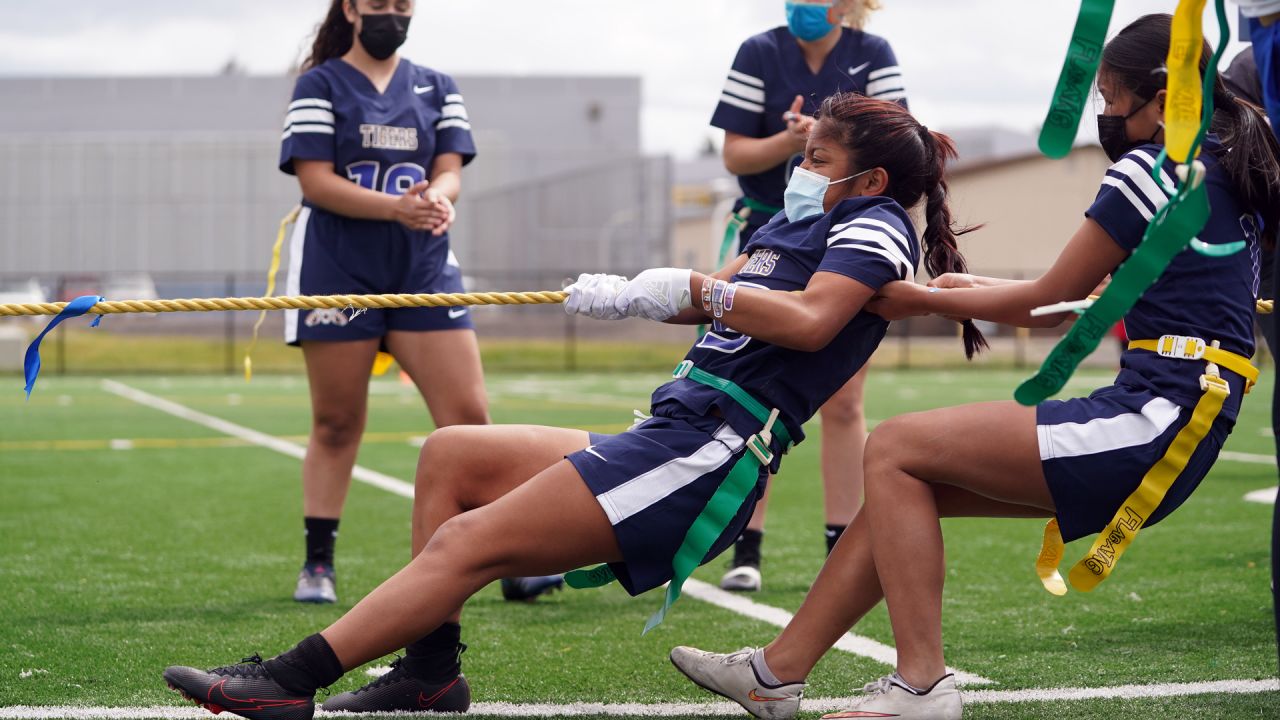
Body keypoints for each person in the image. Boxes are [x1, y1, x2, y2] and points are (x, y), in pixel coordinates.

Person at [161, 92, 982, 720]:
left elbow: (810, 324)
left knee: (468, 540)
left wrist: (698, 287)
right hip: (673, 428)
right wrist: (638, 295)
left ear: (868, 178)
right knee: (453, 454)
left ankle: (290, 683)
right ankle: (429, 673)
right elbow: (728, 301)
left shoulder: (874, 224)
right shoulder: (790, 228)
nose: (802, 167)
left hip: (707, 453)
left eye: (819, 155)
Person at [669, 14, 1280, 720]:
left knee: (895, 446)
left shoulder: (1153, 168)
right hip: (1182, 408)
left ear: (1161, 94)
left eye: (1112, 102)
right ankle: (775, 675)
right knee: (909, 481)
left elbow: (1046, 297)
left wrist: (919, 298)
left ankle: (921, 687)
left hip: (1156, 413)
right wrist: (964, 291)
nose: (1107, 118)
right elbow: (1078, 301)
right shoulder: (1224, 154)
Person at [278, 0, 560, 606]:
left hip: (424, 268)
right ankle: (318, 565)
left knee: (471, 423)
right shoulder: (320, 83)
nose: (391, 15)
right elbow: (314, 181)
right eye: (378, 4)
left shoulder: (437, 84)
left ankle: (514, 559)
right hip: (338, 271)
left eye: (401, 6)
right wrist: (395, 208)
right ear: (351, 8)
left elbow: (450, 168)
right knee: (336, 423)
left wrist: (438, 197)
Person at [712, 0, 909, 593]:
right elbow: (735, 154)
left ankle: (839, 548)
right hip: (770, 232)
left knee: (846, 402)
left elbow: (897, 153)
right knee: (750, 383)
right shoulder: (758, 51)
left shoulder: (873, 55)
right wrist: (797, 146)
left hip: (846, 234)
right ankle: (745, 547)